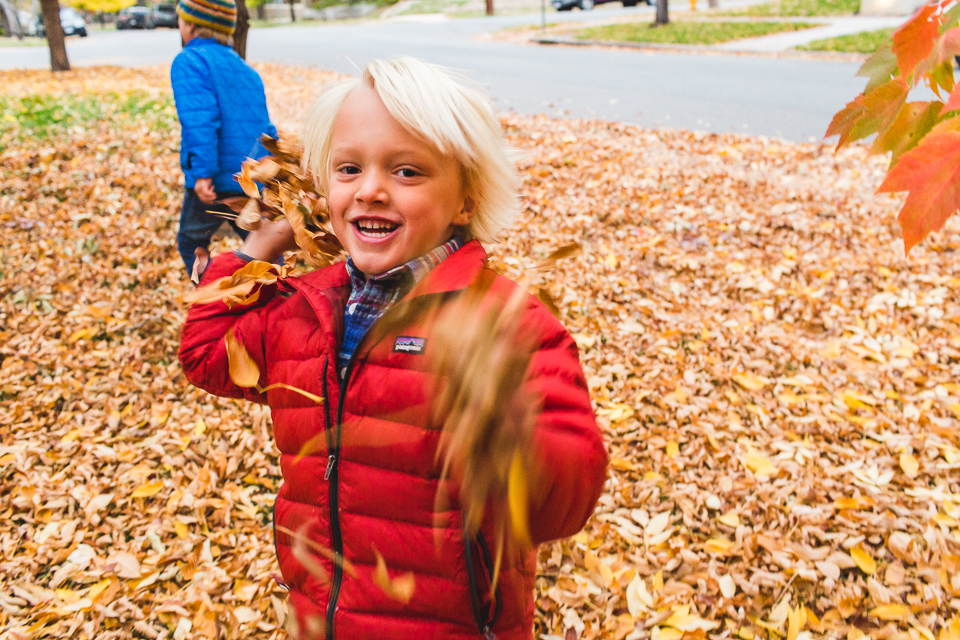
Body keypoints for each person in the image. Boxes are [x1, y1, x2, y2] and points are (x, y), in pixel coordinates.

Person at [178, 57, 607, 639]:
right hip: (323, 618)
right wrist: (260, 247)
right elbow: (206, 354)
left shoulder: (502, 324)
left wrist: (504, 421)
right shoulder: (306, 310)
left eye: (407, 172)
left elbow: (562, 502)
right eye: (348, 168)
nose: (371, 190)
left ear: (465, 200)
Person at [171, 0, 277, 276]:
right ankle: (275, 299)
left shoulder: (189, 61)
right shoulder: (246, 70)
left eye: (180, 20)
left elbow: (199, 120)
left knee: (191, 242)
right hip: (250, 178)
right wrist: (270, 169)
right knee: (261, 245)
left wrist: (202, 173)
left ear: (190, 24)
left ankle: (215, 298)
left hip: (215, 179)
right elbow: (264, 125)